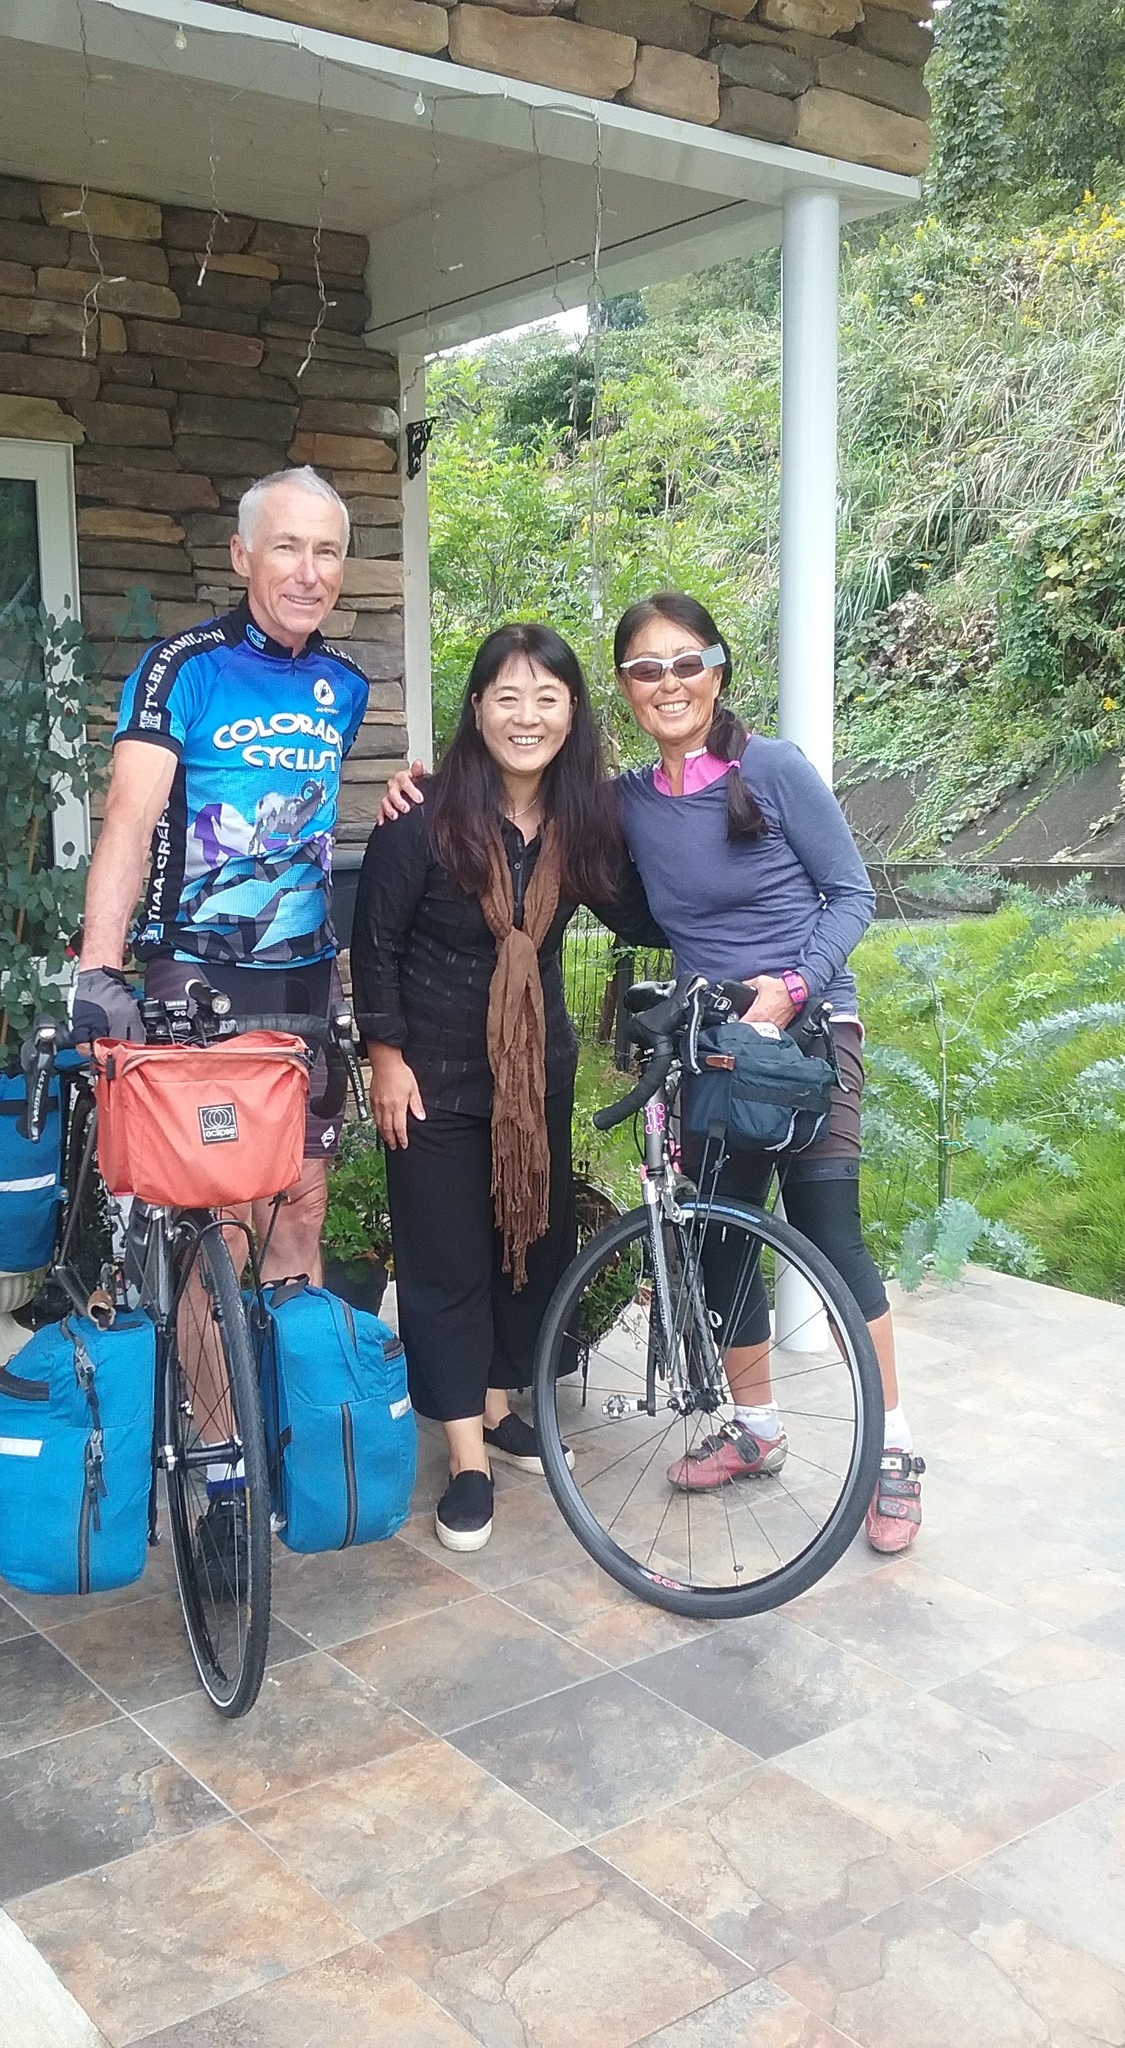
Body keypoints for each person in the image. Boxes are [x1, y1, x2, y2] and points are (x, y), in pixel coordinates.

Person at [380, 594, 922, 1553]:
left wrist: (795, 986)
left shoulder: (774, 769)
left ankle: (895, 1452)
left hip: (806, 1035)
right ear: (624, 689)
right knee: (721, 1245)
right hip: (711, 1043)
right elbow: (537, 825)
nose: (668, 684)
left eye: (686, 663)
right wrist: (416, 787)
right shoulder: (618, 803)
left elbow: (851, 894)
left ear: (718, 669)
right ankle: (756, 1427)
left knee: (832, 1239)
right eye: (645, 669)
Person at [352, 624, 660, 1553]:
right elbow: (375, 945)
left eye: (547, 699)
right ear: (478, 708)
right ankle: (466, 1460)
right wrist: (386, 1059)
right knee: (445, 1264)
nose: (528, 717)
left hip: (533, 1082)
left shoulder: (582, 824)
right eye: (509, 697)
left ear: (572, 714)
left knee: (525, 1245)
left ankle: (492, 1407)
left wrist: (704, 830)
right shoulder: (421, 816)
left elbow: (643, 912)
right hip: (432, 1080)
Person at [71, 465, 369, 1284]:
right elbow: (129, 819)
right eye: (286, 548)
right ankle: (214, 1378)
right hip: (199, 968)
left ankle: (290, 1369)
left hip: (306, 975)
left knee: (300, 1203)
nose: (308, 573)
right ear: (242, 555)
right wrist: (98, 968)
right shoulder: (183, 668)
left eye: (326, 552)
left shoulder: (344, 685)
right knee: (223, 1219)